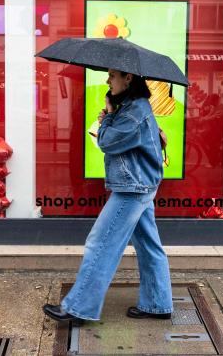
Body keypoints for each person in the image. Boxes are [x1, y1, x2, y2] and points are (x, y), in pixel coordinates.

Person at [42, 68, 173, 324]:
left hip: (132, 188)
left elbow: (107, 143)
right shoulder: (135, 106)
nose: (108, 80)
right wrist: (113, 115)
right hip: (142, 183)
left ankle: (78, 307)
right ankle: (158, 304)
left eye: (113, 76)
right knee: (148, 245)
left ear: (129, 78)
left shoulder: (133, 112)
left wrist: (108, 118)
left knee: (100, 243)